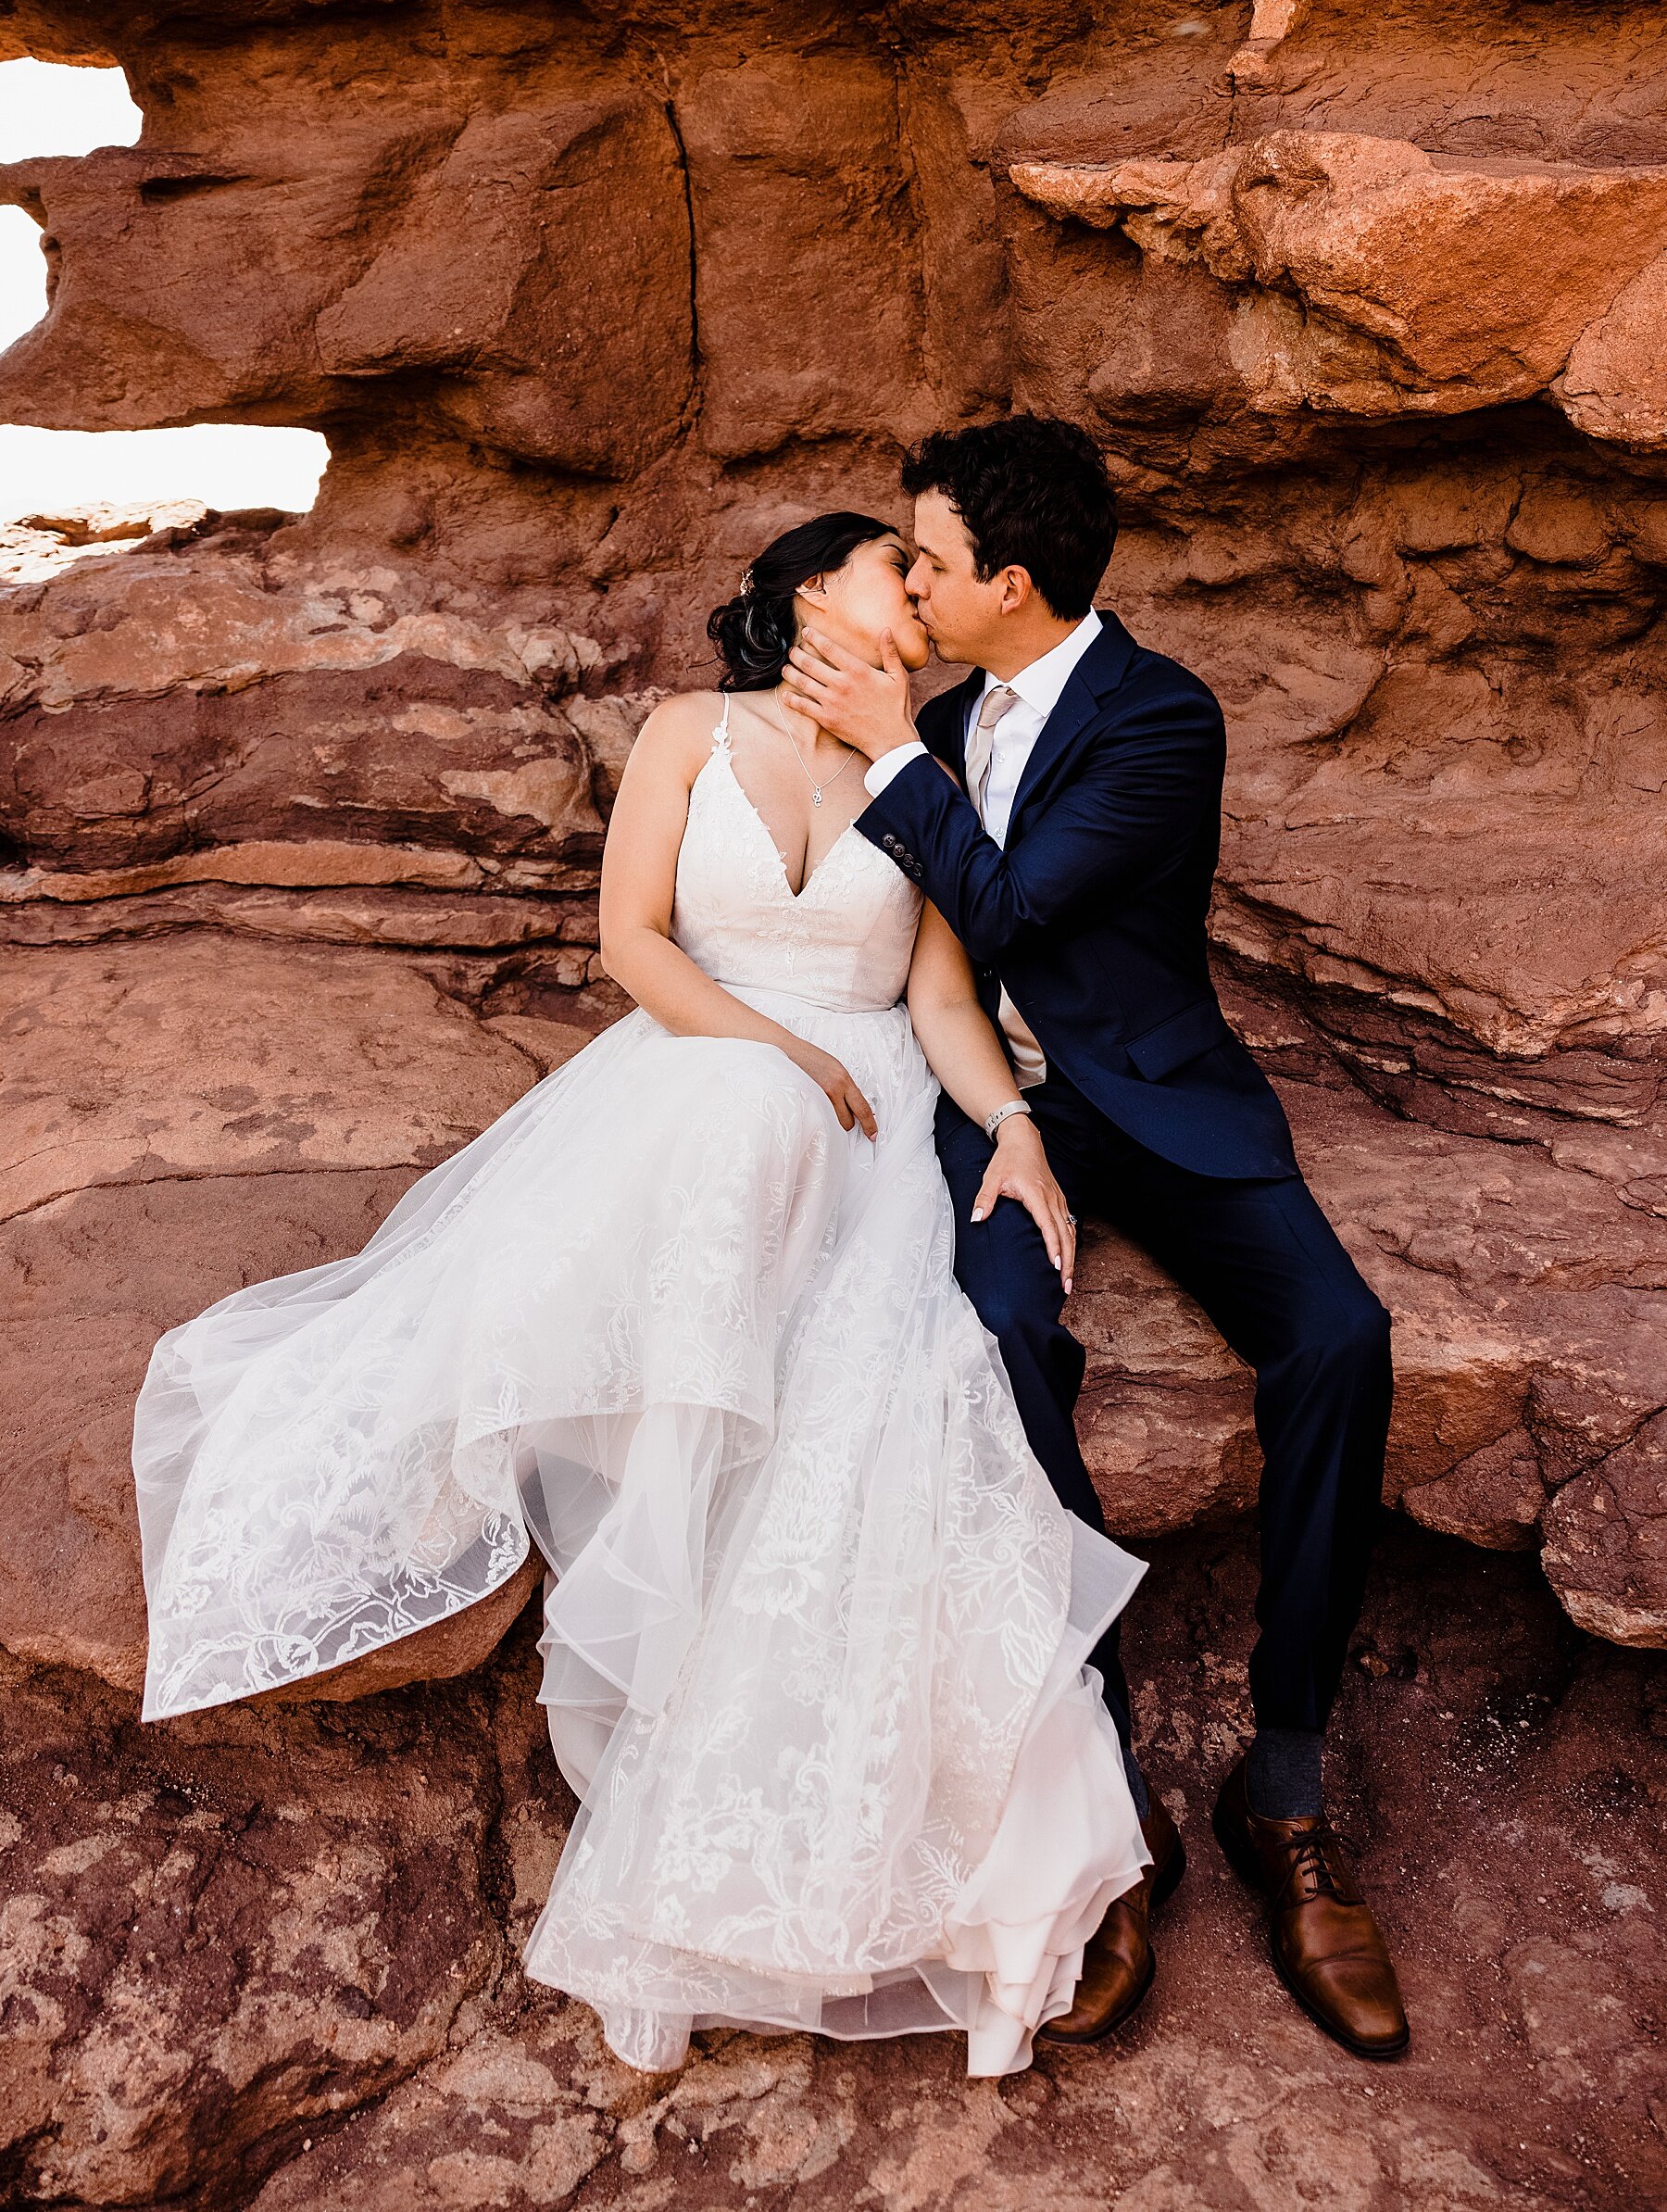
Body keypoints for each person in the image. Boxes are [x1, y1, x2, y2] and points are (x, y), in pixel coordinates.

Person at [132, 509, 1151, 2080]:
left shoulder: (922, 768)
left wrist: (1014, 1127)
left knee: (882, 1422)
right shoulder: (692, 729)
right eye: (899, 566)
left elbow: (944, 992)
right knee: (732, 1142)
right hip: (706, 1069)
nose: (924, 597)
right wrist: (783, 1054)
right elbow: (630, 939)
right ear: (819, 590)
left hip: (875, 1116)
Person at [782, 419, 1410, 2061]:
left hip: (1147, 1094)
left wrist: (897, 755)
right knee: (996, 1348)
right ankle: (1107, 1804)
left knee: (1343, 1338)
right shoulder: (944, 697)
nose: (906, 579)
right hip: (987, 1101)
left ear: (1011, 579)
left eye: (926, 558)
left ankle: (1284, 1783)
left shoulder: (1159, 717)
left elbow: (1012, 910)